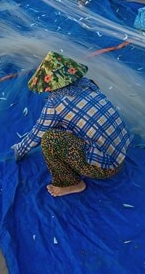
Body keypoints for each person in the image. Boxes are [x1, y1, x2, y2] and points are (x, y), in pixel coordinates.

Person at [12, 51, 132, 197]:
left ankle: (71, 183)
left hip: (107, 167)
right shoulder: (88, 84)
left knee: (50, 139)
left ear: (49, 86)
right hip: (122, 148)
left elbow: (36, 135)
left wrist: (19, 150)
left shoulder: (55, 103)